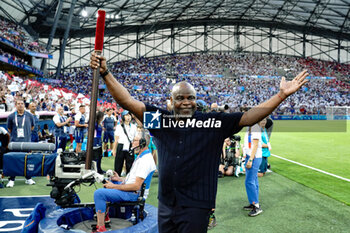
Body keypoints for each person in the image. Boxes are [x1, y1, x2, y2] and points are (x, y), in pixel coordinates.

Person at [90, 52, 308, 232]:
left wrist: (281, 96)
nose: (186, 102)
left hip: (196, 205)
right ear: (171, 102)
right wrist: (106, 73)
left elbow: (248, 117)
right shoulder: (160, 120)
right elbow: (127, 101)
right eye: (180, 98)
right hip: (166, 203)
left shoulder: (213, 122)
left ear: (196, 100)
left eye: (191, 97)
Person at [93, 129, 156, 232]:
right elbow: (134, 178)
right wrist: (120, 179)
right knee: (109, 182)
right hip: (133, 190)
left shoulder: (145, 161)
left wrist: (114, 186)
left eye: (135, 140)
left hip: (134, 194)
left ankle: (101, 228)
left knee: (99, 194)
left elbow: (136, 186)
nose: (132, 142)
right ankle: (106, 216)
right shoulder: (142, 156)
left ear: (142, 143)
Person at [6, 99, 35, 187]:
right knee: (14, 161)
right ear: (15, 105)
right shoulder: (11, 116)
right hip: (15, 143)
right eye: (18, 104)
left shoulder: (30, 116)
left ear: (24, 105)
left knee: (27, 160)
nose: (20, 105)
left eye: (22, 103)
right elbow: (9, 129)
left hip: (26, 143)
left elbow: (32, 127)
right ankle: (11, 180)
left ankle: (28, 178)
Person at [243, 120, 263, 217]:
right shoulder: (250, 127)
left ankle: (256, 205)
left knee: (249, 181)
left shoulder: (255, 127)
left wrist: (250, 160)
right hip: (250, 156)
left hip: (254, 157)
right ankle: (253, 203)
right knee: (253, 180)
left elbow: (255, 145)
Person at [113, 110, 137, 176]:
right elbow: (116, 140)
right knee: (118, 164)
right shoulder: (119, 126)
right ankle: (116, 179)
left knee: (130, 164)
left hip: (130, 146)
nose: (128, 117)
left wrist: (135, 148)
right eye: (126, 115)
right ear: (123, 117)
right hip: (121, 145)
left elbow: (135, 138)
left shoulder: (134, 127)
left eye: (129, 115)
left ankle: (129, 180)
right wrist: (114, 150)